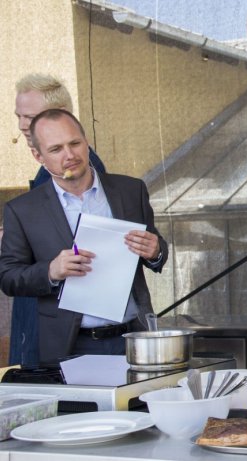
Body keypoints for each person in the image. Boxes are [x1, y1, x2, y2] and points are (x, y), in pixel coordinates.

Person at [0, 109, 167, 363]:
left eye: (75, 143)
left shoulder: (131, 190)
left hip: (134, 338)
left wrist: (156, 251)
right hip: (70, 345)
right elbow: (9, 277)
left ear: (86, 142)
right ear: (38, 156)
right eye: (56, 149)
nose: (70, 155)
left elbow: (156, 252)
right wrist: (51, 271)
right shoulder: (23, 210)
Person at [10, 73, 108, 366]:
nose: (22, 125)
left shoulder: (77, 172)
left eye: (30, 116)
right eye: (19, 116)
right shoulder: (50, 173)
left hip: (61, 326)